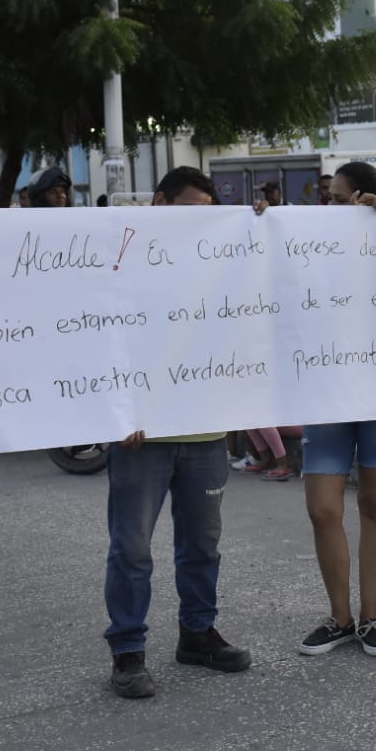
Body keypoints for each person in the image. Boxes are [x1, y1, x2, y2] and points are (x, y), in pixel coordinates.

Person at [106, 166, 252, 699]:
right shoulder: (120, 262)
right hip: (140, 437)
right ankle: (127, 650)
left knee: (202, 545)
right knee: (132, 549)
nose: (199, 225)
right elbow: (100, 339)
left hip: (205, 433)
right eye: (189, 211)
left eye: (208, 216)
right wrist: (120, 412)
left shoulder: (219, 267)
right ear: (159, 203)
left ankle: (198, 634)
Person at [296, 161, 376, 656]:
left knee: (374, 503)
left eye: (339, 197)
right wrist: (260, 219)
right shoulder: (314, 247)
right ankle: (339, 617)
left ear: (365, 198)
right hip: (327, 391)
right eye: (327, 198)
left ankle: (369, 617)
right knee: (323, 509)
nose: (329, 206)